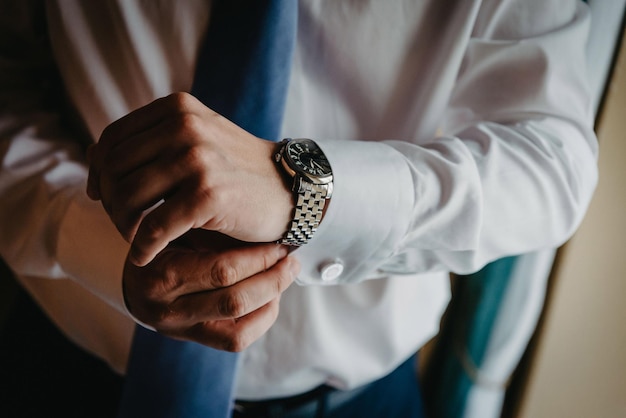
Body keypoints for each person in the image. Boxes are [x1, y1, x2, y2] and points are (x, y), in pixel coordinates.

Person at [0, 0, 598, 417]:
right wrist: (87, 237)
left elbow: (552, 158)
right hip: (58, 374)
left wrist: (305, 191)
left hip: (356, 403)